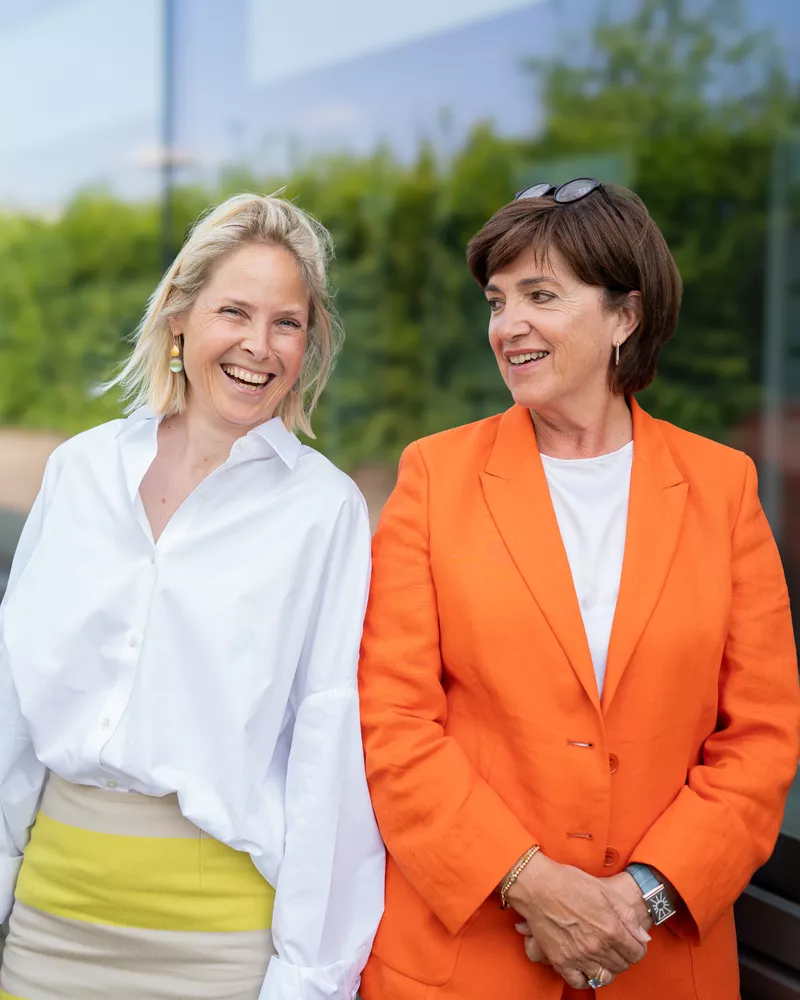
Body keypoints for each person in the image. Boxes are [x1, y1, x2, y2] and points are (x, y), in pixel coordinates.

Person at [358, 178, 800, 1000]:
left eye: (541, 296)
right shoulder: (434, 476)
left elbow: (761, 738)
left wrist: (641, 898)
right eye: (497, 302)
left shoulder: (723, 487)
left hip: (655, 960)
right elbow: (392, 721)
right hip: (466, 964)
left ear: (625, 316)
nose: (507, 326)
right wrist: (529, 881)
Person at [0, 193, 384, 1000]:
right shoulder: (81, 472)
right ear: (180, 317)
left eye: (287, 323)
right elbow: (13, 709)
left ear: (309, 344)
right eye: (234, 312)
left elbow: (329, 754)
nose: (258, 346)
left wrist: (308, 978)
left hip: (219, 946)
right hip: (48, 925)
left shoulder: (324, 511)